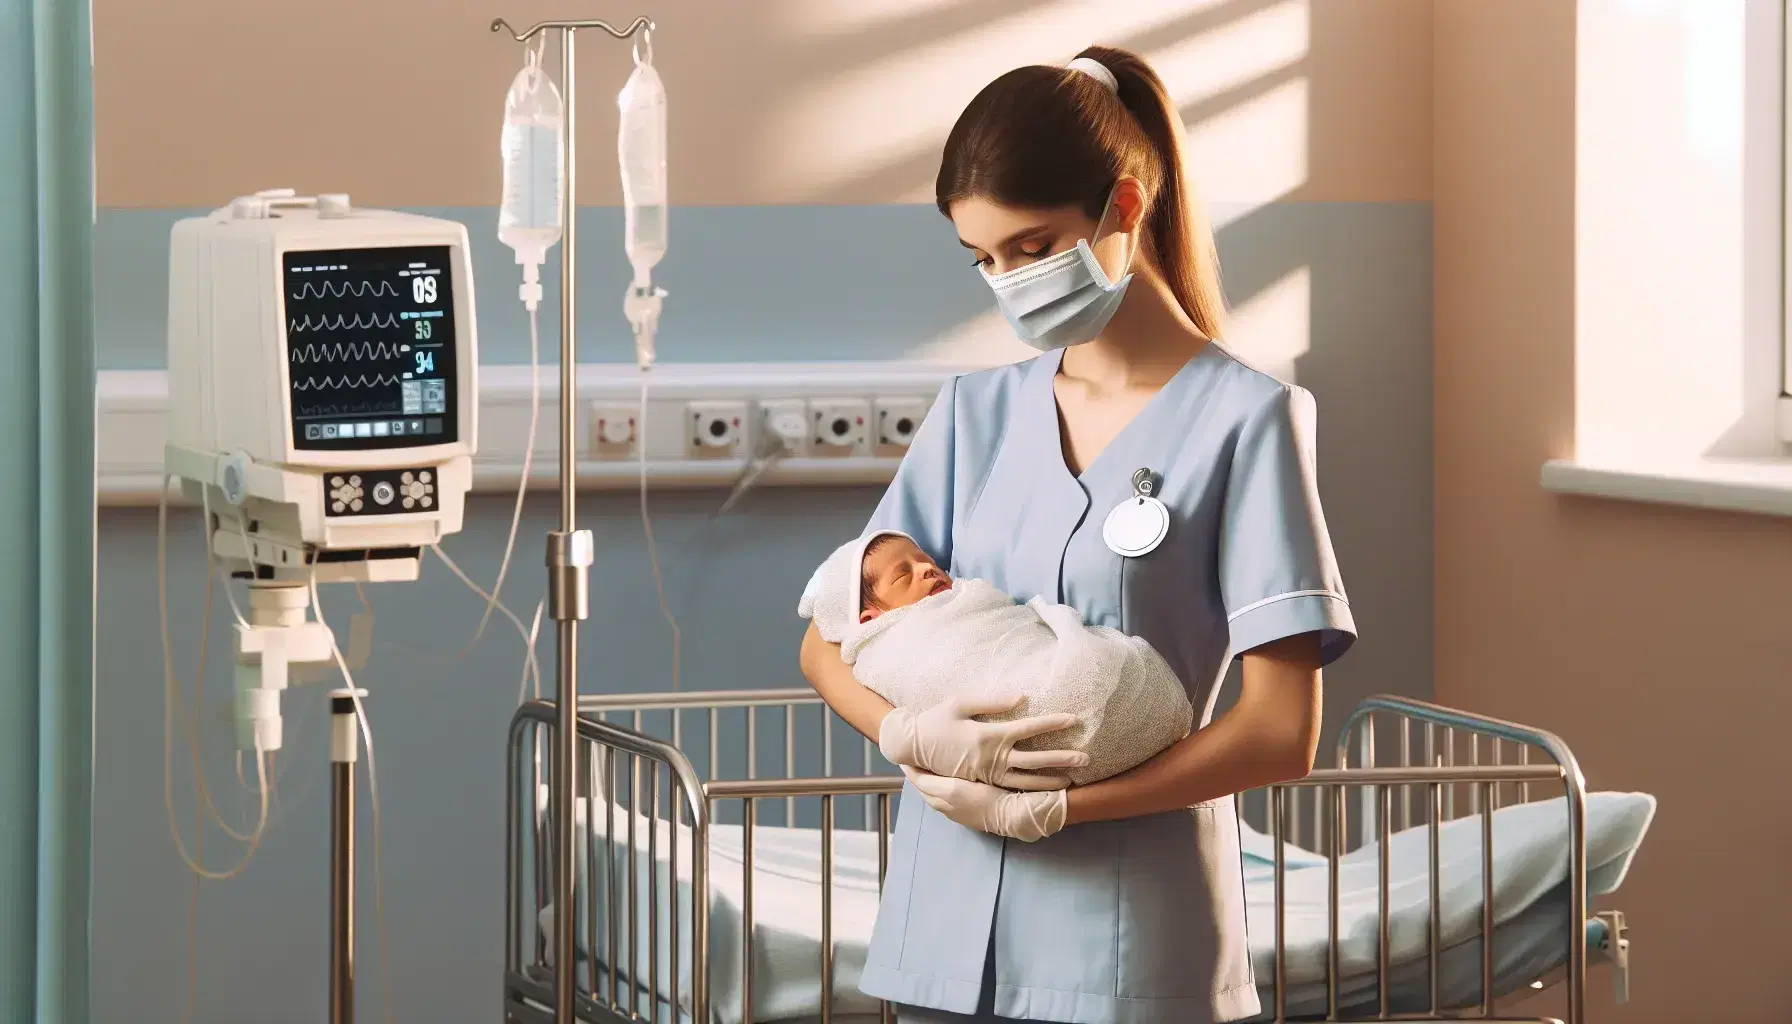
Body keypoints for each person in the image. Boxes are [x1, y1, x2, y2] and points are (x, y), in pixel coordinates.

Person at [797, 44, 1356, 1024]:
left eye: (1030, 246)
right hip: (942, 929)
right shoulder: (973, 416)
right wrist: (906, 730)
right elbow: (830, 630)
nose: (1008, 279)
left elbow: (1279, 731)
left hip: (1128, 943)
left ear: (1125, 207)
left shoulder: (1245, 421)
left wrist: (1053, 806)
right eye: (983, 259)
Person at [796, 529, 1194, 789]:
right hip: (961, 837)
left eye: (929, 563)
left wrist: (1062, 811)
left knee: (1082, 683)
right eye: (905, 576)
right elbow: (823, 640)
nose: (927, 570)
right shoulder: (886, 636)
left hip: (1146, 817)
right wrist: (903, 734)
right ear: (870, 619)